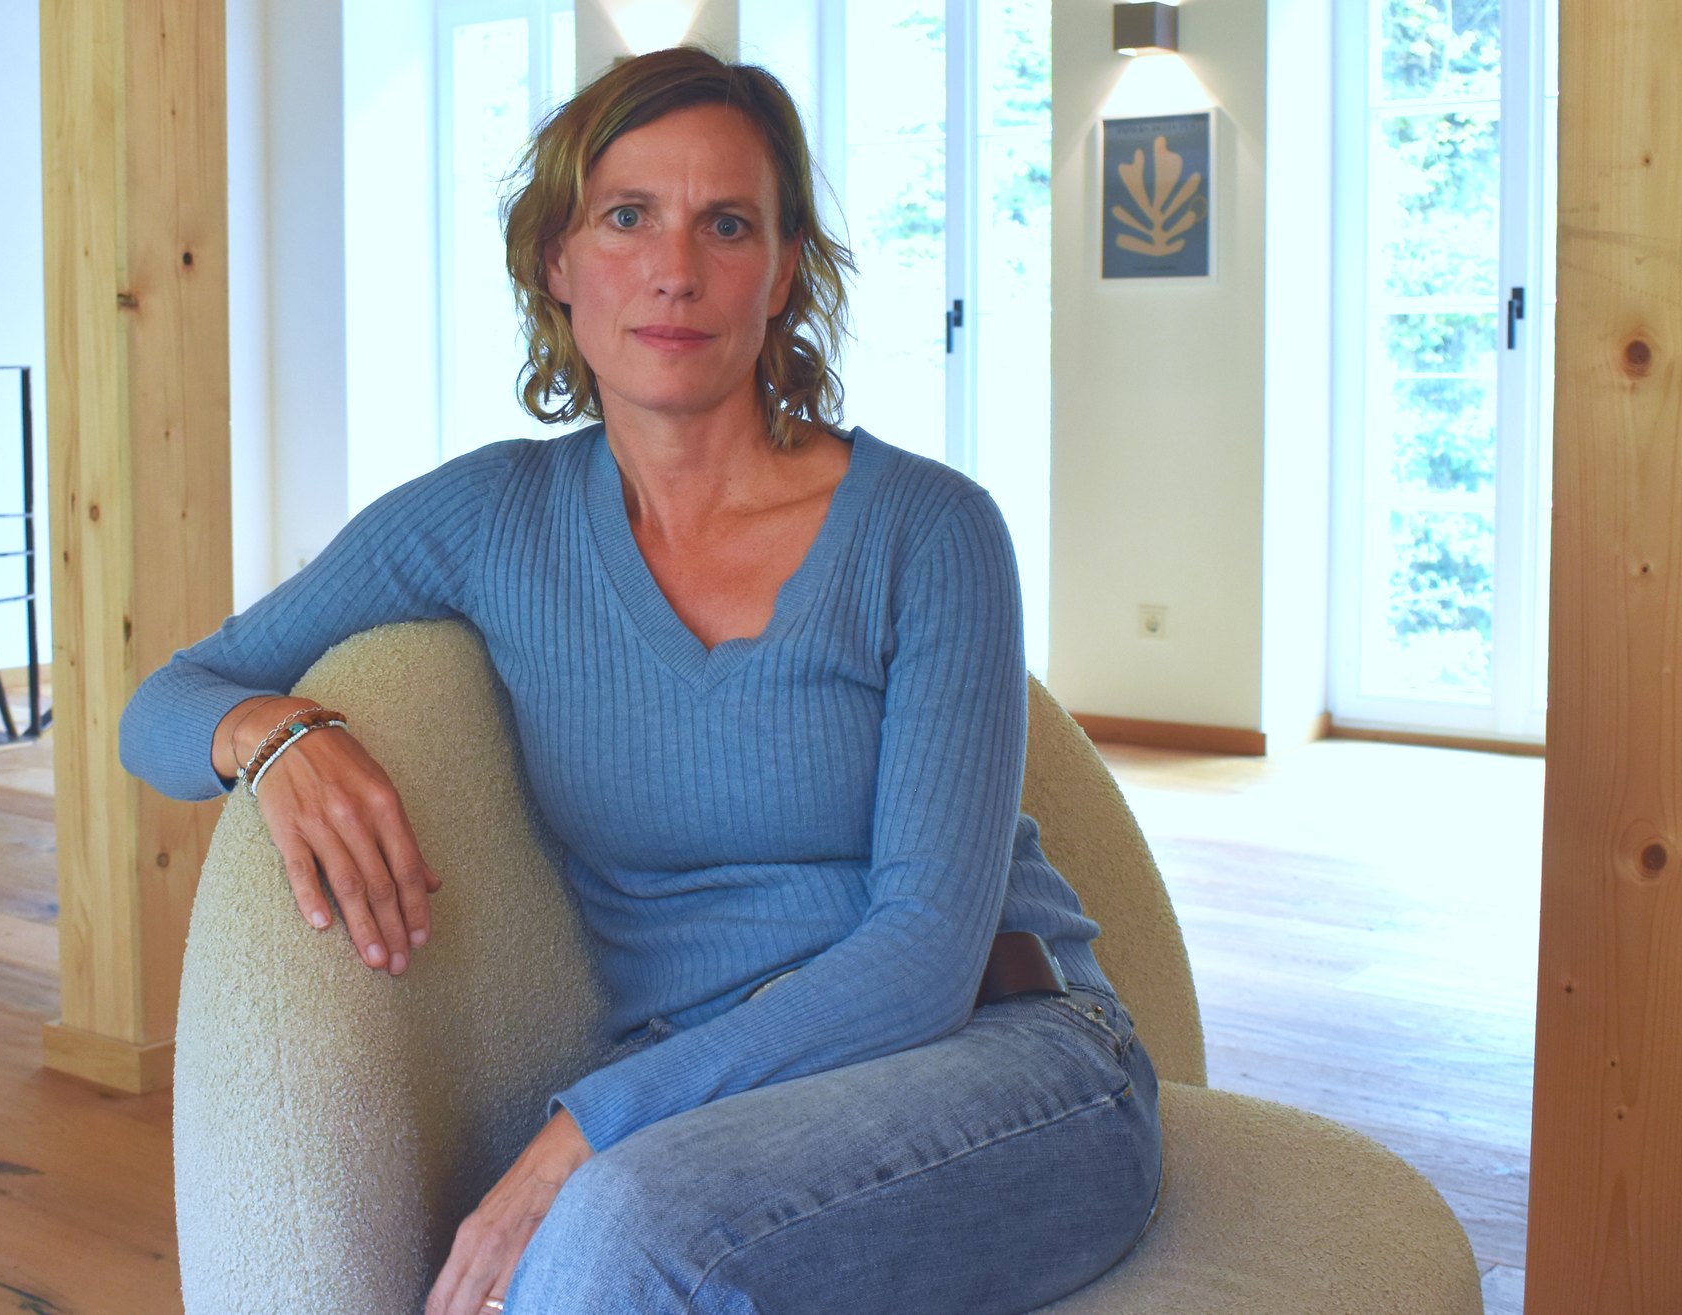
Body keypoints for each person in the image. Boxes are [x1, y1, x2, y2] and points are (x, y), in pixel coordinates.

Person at [121, 46, 1161, 1315]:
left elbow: (923, 956)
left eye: (725, 224)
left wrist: (585, 1130)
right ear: (557, 261)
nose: (675, 269)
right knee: (595, 1245)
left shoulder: (930, 530)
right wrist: (272, 737)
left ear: (782, 271)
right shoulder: (488, 519)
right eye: (626, 217)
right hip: (720, 1116)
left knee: (619, 1233)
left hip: (1011, 1064)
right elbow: (164, 702)